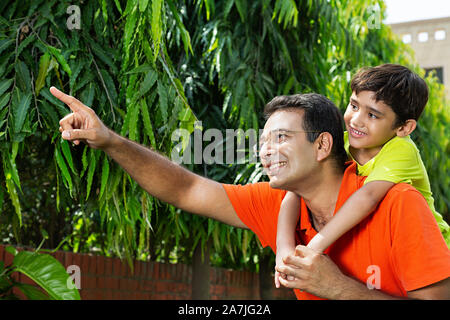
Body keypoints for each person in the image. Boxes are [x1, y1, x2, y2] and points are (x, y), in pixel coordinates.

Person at [51, 86, 450, 300]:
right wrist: (110, 141)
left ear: (323, 146)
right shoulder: (280, 203)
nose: (265, 151)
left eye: (281, 138)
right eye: (263, 140)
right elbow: (187, 189)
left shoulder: (398, 203)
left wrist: (339, 289)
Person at [274, 64, 450, 288]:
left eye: (373, 115)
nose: (356, 120)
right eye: (354, 105)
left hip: (426, 248)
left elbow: (367, 198)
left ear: (404, 128)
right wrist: (284, 249)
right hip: (380, 249)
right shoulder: (341, 143)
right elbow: (295, 190)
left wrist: (312, 248)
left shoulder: (402, 150)